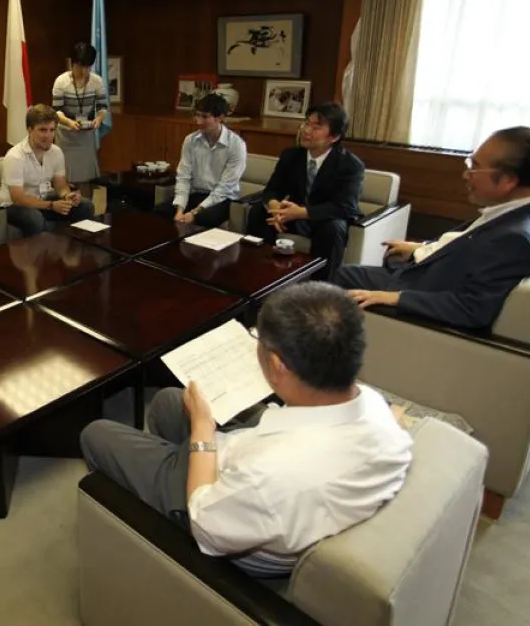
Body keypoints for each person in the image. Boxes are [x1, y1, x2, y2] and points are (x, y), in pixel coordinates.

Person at [80, 282, 412, 577]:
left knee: (96, 433)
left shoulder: (268, 477)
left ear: (278, 366)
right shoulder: (372, 405)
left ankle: (148, 515)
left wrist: (201, 429)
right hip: (262, 479)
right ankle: (162, 472)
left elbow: (204, 518)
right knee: (169, 401)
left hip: (223, 513)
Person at [337, 126, 530, 330]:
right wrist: (422, 248)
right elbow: (475, 247)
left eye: (474, 167)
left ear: (508, 180)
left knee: (337, 277)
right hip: (430, 269)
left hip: (421, 288)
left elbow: (472, 308)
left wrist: (394, 298)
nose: (466, 175)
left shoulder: (516, 239)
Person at [246, 102, 364, 278]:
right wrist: (276, 209)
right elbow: (272, 190)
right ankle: (257, 275)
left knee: (334, 228)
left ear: (334, 136)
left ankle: (320, 289)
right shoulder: (291, 155)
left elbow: (345, 207)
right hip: (292, 215)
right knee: (258, 212)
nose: (306, 130)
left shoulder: (350, 165)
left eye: (316, 127)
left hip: (323, 218)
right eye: (307, 123)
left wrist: (300, 212)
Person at [0, 104, 95, 237]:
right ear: (30, 130)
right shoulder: (15, 156)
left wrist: (67, 195)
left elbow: (60, 185)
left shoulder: (56, 152)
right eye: (42, 130)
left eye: (52, 130)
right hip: (14, 207)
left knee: (85, 206)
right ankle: (41, 256)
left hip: (43, 199)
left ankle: (78, 249)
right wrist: (51, 205)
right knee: (35, 219)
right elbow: (18, 198)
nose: (48, 136)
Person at [155, 94, 246, 228]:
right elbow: (183, 177)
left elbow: (225, 188)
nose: (198, 121)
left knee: (203, 219)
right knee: (160, 212)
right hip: (197, 193)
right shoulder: (190, 140)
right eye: (197, 115)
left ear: (220, 117)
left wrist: (195, 212)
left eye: (204, 117)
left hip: (223, 199)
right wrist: (180, 209)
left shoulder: (236, 145)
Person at [52, 41, 109, 186]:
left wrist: (99, 119)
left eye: (88, 67)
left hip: (86, 137)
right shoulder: (61, 82)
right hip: (66, 136)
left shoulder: (97, 81)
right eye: (80, 66)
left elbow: (103, 106)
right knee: (65, 179)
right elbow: (56, 111)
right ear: (73, 63)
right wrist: (69, 122)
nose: (84, 71)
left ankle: (85, 207)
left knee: (86, 181)